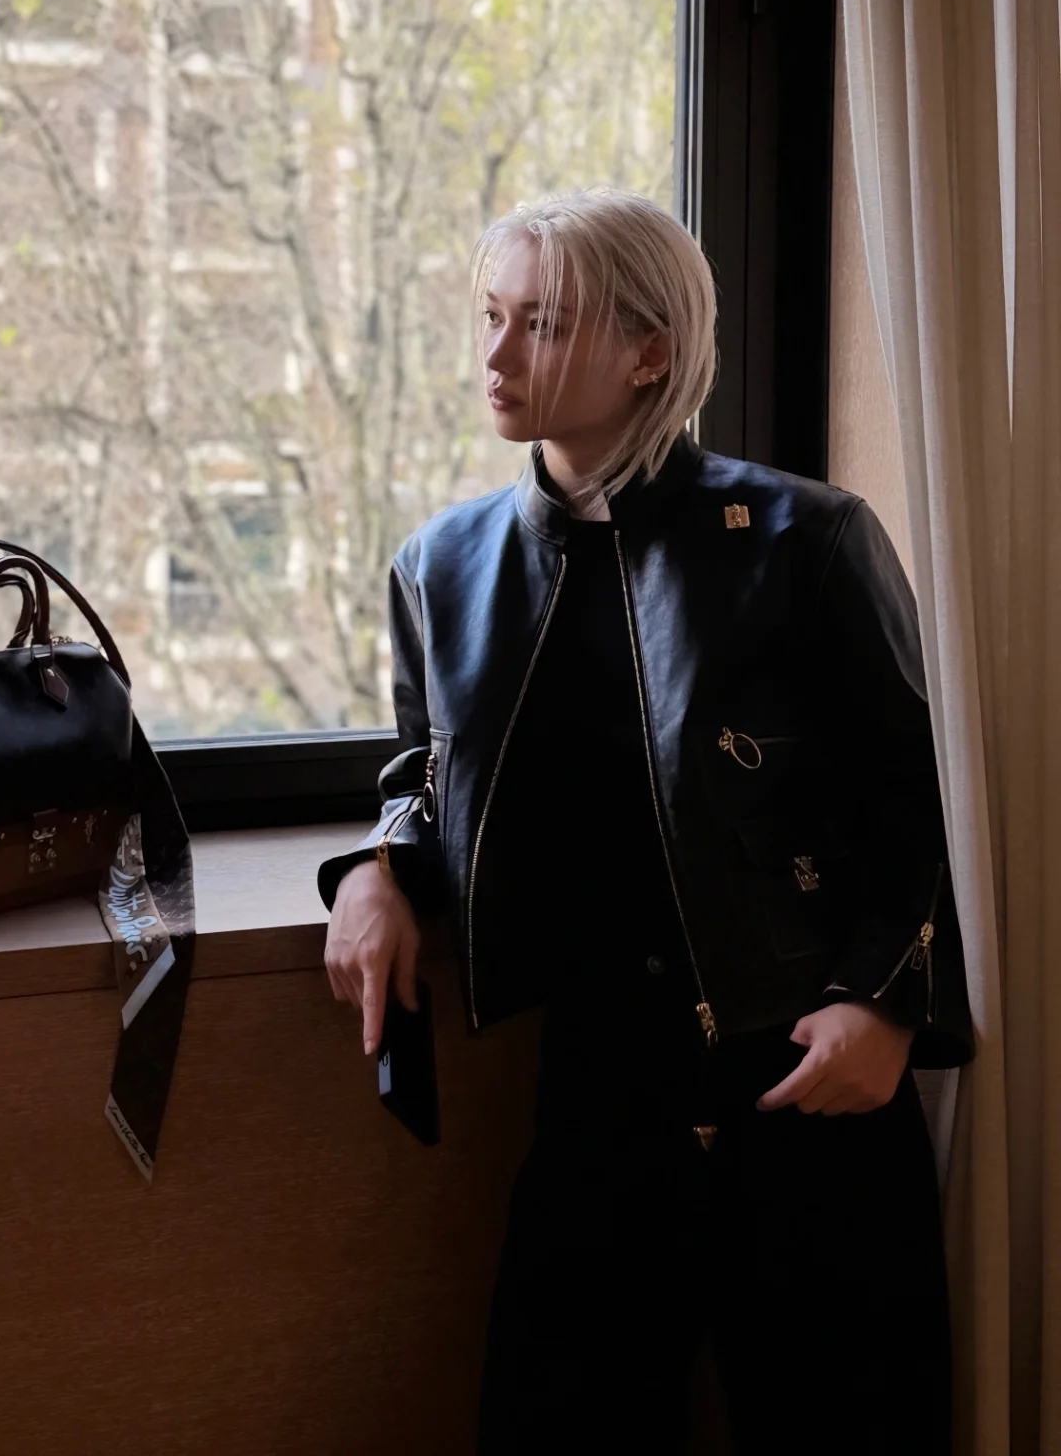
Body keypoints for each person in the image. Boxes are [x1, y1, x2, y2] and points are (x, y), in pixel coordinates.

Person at [319, 189, 971, 1455]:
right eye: (490, 315)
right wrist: (378, 868)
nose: (496, 354)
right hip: (600, 1094)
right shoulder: (443, 566)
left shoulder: (805, 539)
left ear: (648, 352)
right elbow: (427, 769)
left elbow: (918, 791)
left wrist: (885, 1004)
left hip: (806, 1073)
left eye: (542, 323)